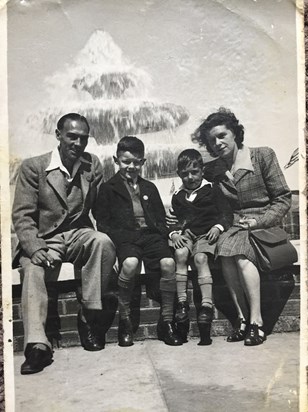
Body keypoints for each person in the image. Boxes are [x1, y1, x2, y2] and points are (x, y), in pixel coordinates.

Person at [12, 113, 116, 374]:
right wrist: (34, 248)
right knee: (32, 270)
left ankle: (89, 318)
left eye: (83, 138)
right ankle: (38, 346)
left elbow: (101, 211)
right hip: (44, 238)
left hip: (78, 234)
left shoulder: (92, 166)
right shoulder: (34, 167)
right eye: (72, 136)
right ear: (58, 135)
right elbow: (22, 215)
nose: (78, 143)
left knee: (102, 243)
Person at [191, 107, 291, 346]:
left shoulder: (262, 156)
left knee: (241, 256)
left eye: (222, 135)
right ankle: (242, 319)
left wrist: (260, 220)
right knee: (225, 251)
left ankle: (256, 322)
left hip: (263, 225)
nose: (217, 143)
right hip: (236, 226)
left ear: (235, 133)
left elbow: (283, 198)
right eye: (211, 140)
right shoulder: (215, 170)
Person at [97, 136, 182, 347]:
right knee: (130, 264)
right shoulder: (109, 188)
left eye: (136, 162)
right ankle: (124, 321)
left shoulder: (149, 187)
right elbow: (103, 223)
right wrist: (116, 246)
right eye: (126, 161)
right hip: (126, 238)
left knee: (169, 263)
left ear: (143, 162)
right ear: (116, 160)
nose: (131, 166)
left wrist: (167, 234)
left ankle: (167, 321)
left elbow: (160, 220)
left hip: (151, 237)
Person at [169, 149, 232, 345]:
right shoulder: (178, 196)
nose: (190, 177)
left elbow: (226, 213)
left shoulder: (212, 189)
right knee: (179, 253)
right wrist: (174, 234)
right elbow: (173, 222)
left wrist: (218, 226)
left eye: (194, 172)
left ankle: (206, 306)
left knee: (200, 258)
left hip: (206, 234)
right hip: (188, 234)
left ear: (202, 171)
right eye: (185, 173)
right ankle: (181, 303)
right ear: (179, 174)